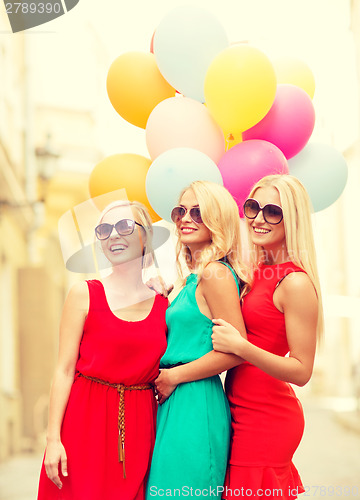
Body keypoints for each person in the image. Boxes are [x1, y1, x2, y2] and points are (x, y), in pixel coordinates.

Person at [37, 200, 168, 500]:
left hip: (141, 425)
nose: (113, 235)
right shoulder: (83, 294)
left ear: (145, 235)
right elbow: (64, 369)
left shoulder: (164, 303)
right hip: (84, 422)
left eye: (124, 226)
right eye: (104, 230)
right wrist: (53, 439)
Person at [211, 174, 324, 500]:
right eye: (252, 207)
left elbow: (302, 371)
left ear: (293, 218)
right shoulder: (258, 271)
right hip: (238, 409)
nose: (259, 219)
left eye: (272, 211)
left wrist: (242, 347)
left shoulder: (295, 282)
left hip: (266, 418)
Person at [146, 181, 248, 498]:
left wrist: (174, 376)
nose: (185, 218)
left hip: (194, 398)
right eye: (181, 211)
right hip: (176, 398)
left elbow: (236, 350)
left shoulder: (214, 274)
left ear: (218, 218)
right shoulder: (193, 277)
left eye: (198, 212)